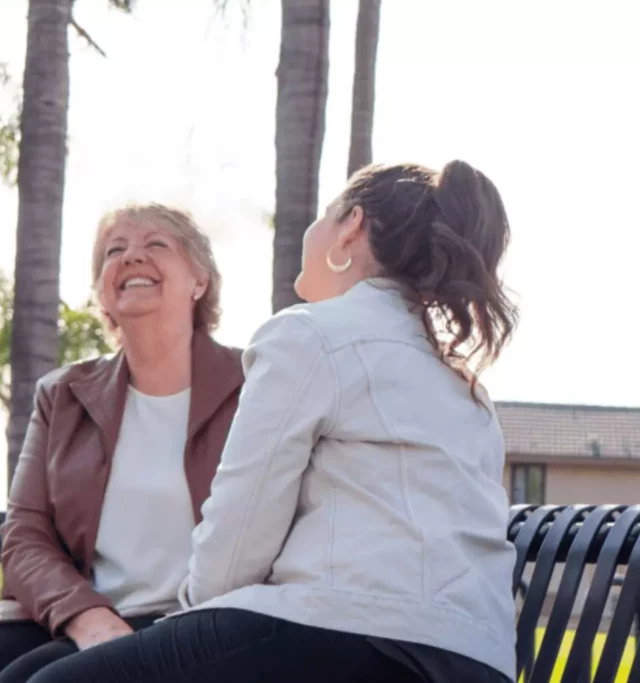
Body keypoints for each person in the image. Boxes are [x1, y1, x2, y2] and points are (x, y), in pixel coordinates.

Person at [26, 161, 519, 683]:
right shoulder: (465, 386)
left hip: (348, 637)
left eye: (324, 215)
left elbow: (239, 536)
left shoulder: (308, 335)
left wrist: (186, 621)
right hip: (475, 658)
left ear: (351, 226)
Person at [0, 203, 243, 683]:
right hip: (75, 610)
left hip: (194, 619)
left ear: (200, 280)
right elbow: (25, 536)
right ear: (103, 296)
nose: (131, 257)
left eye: (156, 244)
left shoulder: (254, 384)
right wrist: (86, 616)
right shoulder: (63, 395)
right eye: (114, 251)